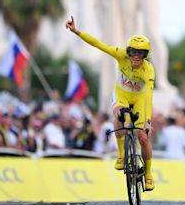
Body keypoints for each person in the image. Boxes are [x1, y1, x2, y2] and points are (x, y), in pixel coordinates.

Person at [66, 15, 156, 191]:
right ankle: (121, 155)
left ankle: (148, 174)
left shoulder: (148, 70)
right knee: (118, 115)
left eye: (140, 54)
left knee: (143, 137)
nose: (136, 57)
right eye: (133, 52)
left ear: (145, 55)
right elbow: (99, 45)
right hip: (121, 94)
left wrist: (147, 121)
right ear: (128, 51)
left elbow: (148, 96)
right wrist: (77, 32)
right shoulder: (121, 55)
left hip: (139, 99)